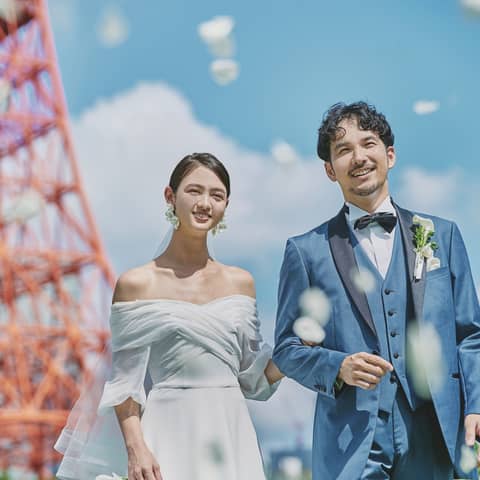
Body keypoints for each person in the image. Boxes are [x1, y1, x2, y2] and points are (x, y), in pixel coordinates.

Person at [273, 102, 480, 479]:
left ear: (390, 155)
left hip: (436, 434)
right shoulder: (305, 251)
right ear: (329, 170)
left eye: (368, 144)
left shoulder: (439, 236)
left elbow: (470, 335)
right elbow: (287, 348)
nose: (358, 157)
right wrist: (339, 366)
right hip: (351, 443)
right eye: (343, 150)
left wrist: (476, 407)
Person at [55, 152, 283, 480]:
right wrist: (136, 450)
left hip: (232, 431)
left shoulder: (241, 282)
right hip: (168, 432)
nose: (205, 202)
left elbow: (252, 378)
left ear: (225, 206)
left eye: (216, 195)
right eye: (194, 191)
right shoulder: (137, 284)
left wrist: (298, 349)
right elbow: (124, 383)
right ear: (170, 196)